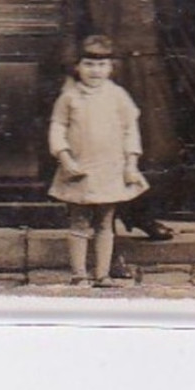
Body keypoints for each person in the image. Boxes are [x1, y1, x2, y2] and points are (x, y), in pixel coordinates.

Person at [60, 0, 181, 242]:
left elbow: (167, 18)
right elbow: (69, 25)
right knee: (101, 147)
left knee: (149, 145)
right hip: (100, 72)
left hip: (145, 67)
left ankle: (143, 214)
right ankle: (105, 229)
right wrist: (72, 73)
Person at [48, 35, 148, 287]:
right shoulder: (69, 97)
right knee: (79, 221)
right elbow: (57, 127)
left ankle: (102, 274)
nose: (95, 71)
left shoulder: (118, 96)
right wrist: (64, 156)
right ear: (77, 67)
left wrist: (131, 163)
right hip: (80, 169)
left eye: (102, 65)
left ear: (112, 67)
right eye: (89, 64)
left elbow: (130, 130)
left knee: (105, 222)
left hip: (110, 169)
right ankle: (79, 274)